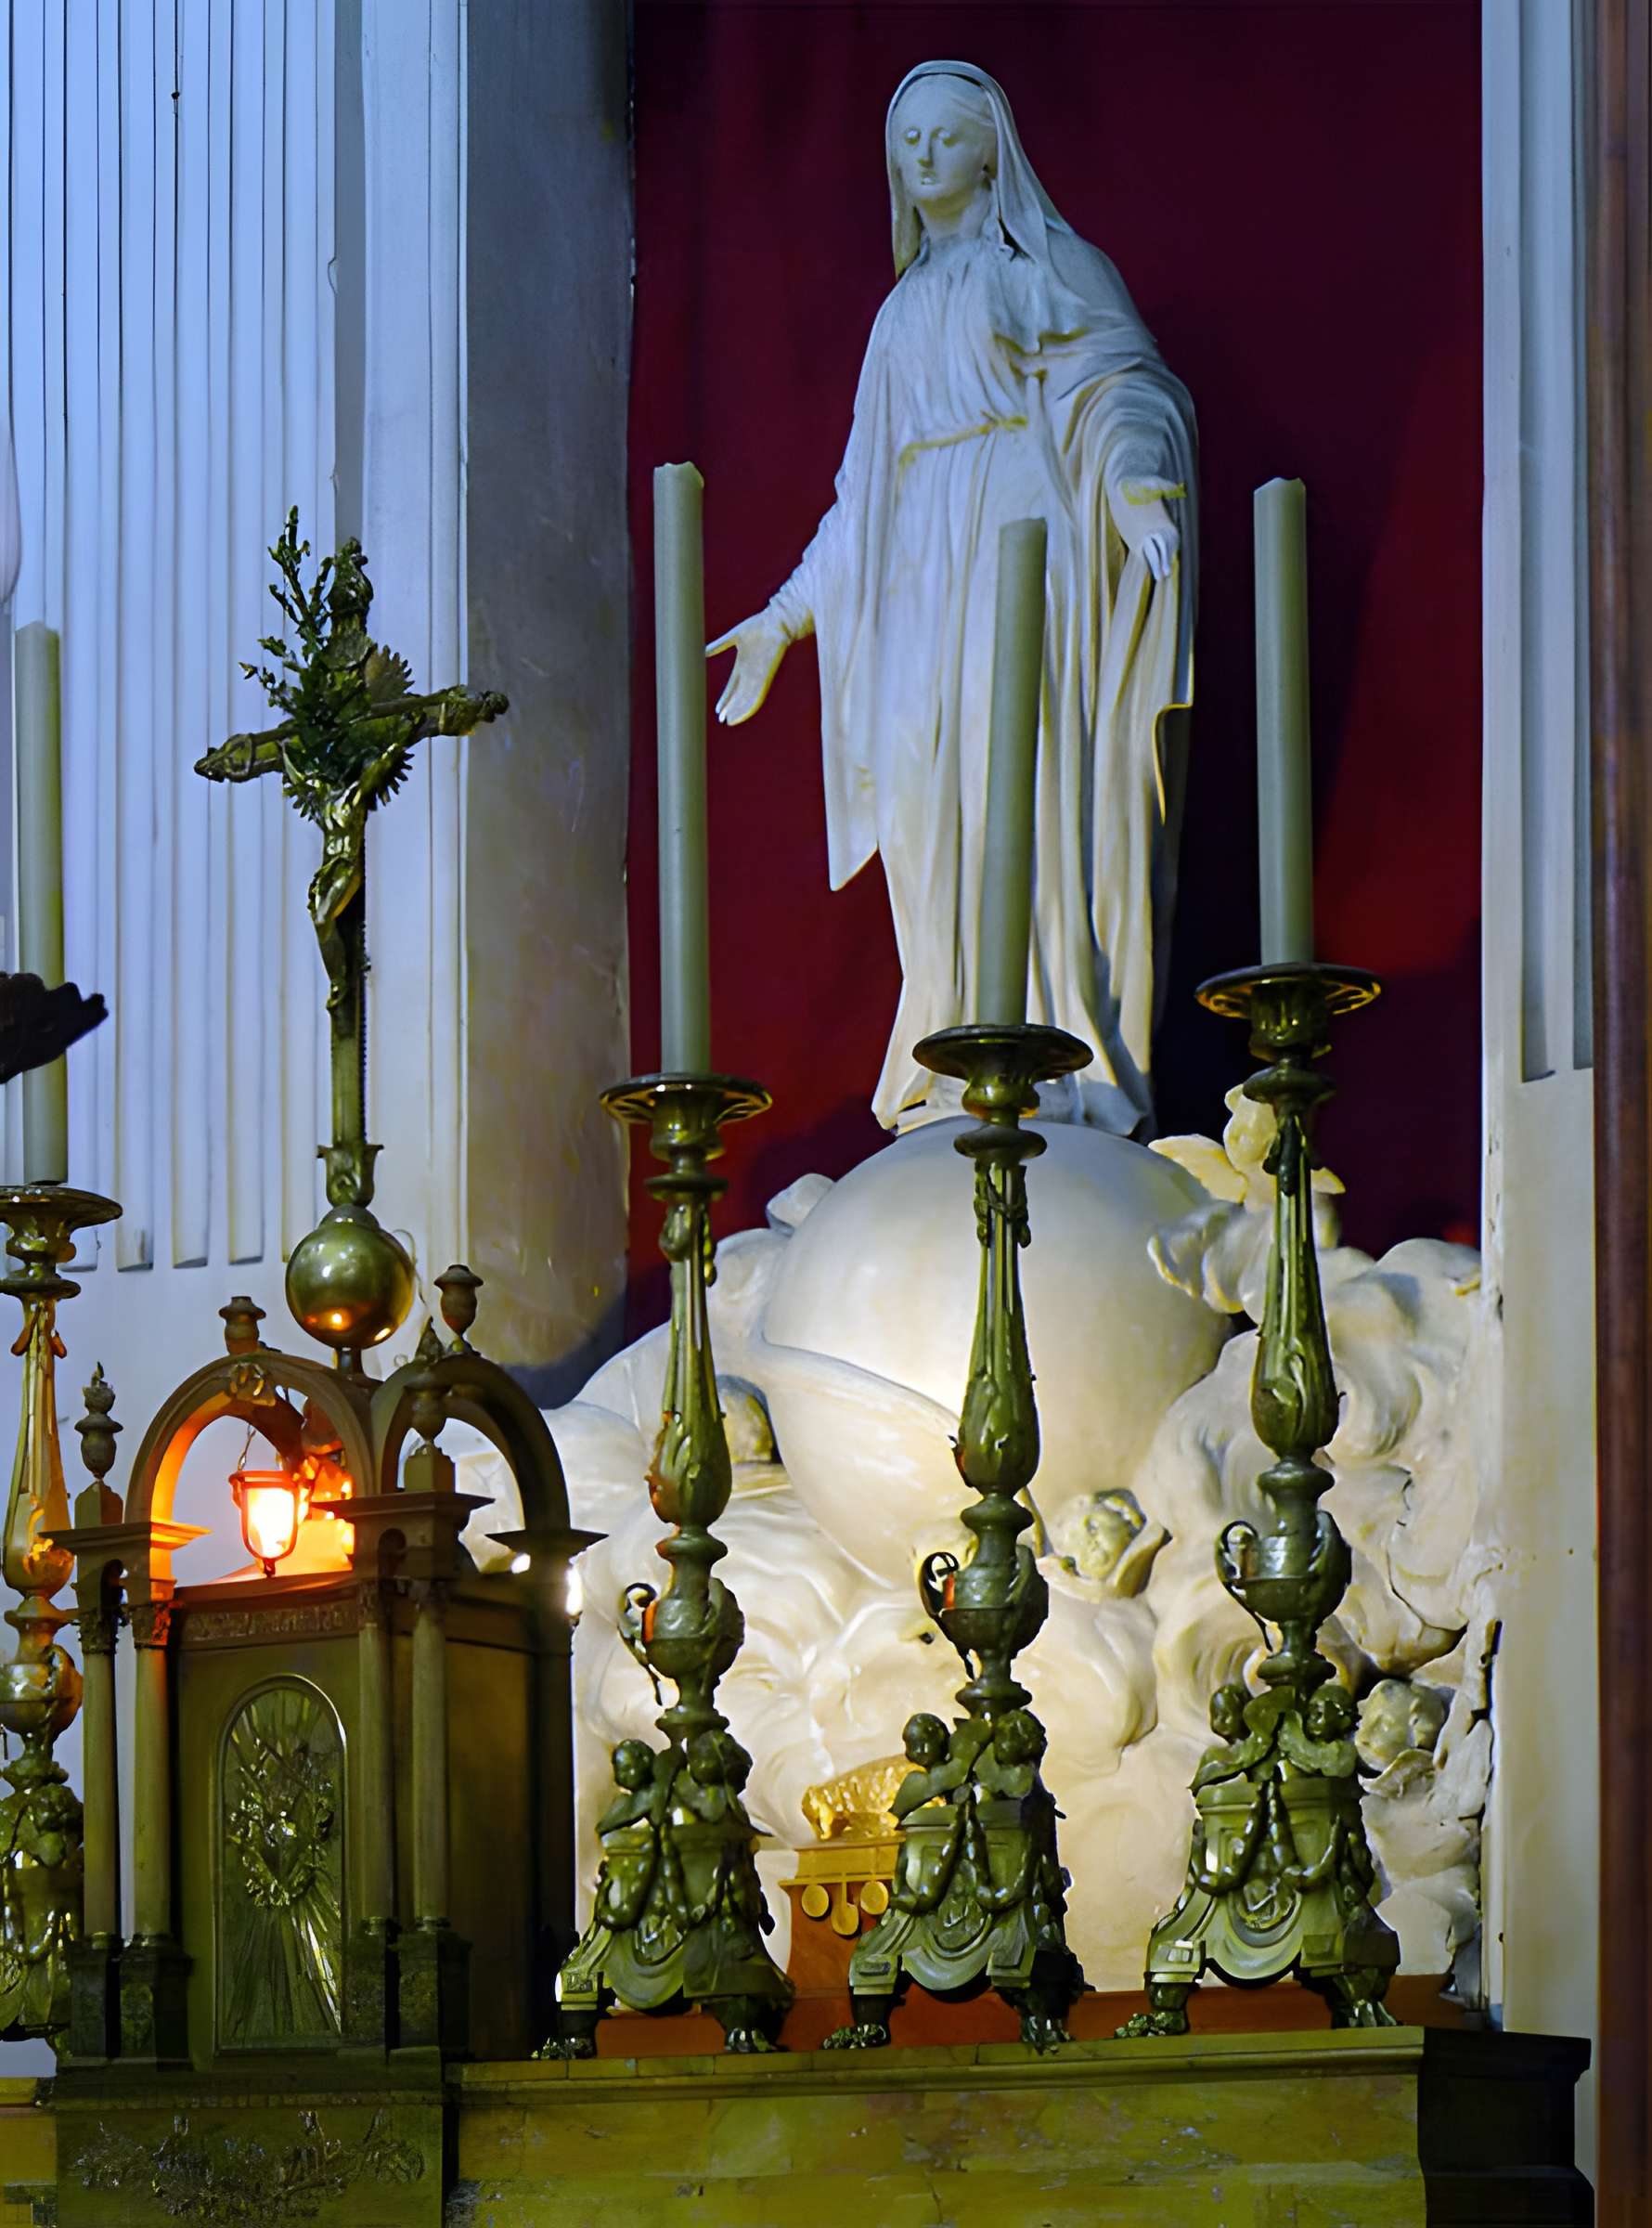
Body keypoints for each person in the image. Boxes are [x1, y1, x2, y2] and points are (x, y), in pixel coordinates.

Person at [711, 60, 1196, 1134]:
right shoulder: (896, 318)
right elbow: (861, 502)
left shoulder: (1051, 269)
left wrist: (1133, 493)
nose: (923, 157)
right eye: (907, 142)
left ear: (991, 147)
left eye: (944, 136)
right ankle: (948, 1045)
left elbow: (1127, 393)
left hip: (1026, 540)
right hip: (920, 569)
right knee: (929, 802)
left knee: (1019, 776)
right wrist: (785, 619)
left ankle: (1050, 1046)